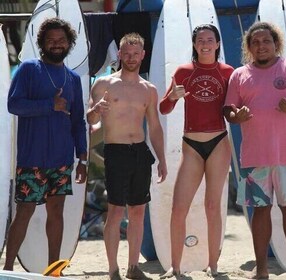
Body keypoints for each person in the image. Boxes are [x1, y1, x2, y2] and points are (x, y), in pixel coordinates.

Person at [223, 21, 286, 279]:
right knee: (260, 210)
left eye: (266, 41)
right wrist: (236, 116)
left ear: (276, 43)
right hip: (254, 157)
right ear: (249, 47)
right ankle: (262, 270)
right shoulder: (239, 75)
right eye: (255, 42)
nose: (261, 45)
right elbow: (228, 110)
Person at [4, 18, 87, 270]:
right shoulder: (29, 69)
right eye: (51, 40)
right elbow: (13, 105)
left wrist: (82, 157)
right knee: (25, 210)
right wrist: (49, 105)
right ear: (42, 43)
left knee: (57, 212)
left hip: (61, 159)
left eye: (61, 40)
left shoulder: (72, 78)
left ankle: (54, 270)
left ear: (69, 43)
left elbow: (78, 122)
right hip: (32, 157)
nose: (56, 44)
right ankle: (7, 269)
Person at [87, 32, 167, 280]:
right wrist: (97, 110)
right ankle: (113, 269)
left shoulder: (149, 89)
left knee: (138, 212)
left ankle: (134, 266)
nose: (131, 58)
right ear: (119, 54)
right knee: (115, 212)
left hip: (140, 152)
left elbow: (154, 126)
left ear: (143, 55)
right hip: (116, 151)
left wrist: (162, 158)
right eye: (127, 54)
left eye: (136, 54)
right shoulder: (103, 84)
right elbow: (90, 121)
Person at [159, 24, 234, 278]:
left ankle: (213, 266)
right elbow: (163, 109)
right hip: (191, 145)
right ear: (194, 44)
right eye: (200, 40)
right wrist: (172, 98)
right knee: (178, 208)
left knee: (212, 206)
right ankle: (175, 267)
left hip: (218, 143)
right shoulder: (183, 72)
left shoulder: (228, 72)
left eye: (210, 40)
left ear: (217, 44)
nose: (205, 44)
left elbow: (233, 109)